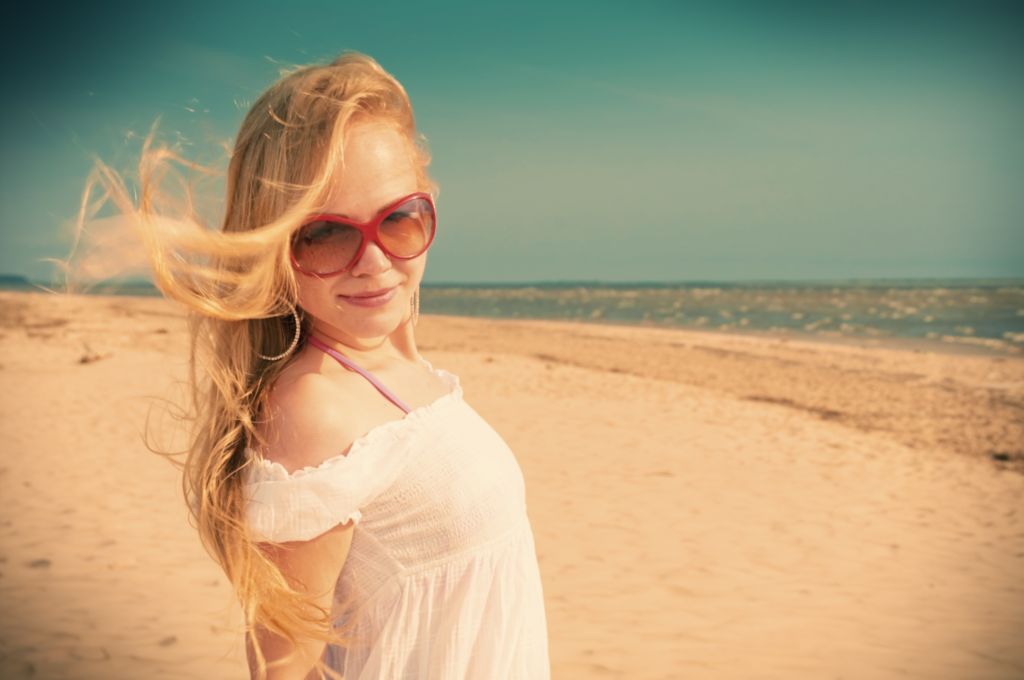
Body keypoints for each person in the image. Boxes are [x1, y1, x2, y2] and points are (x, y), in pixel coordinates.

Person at [81, 52, 550, 679]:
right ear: (272, 244)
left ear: (427, 206)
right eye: (324, 234)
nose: (374, 260)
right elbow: (286, 671)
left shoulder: (398, 368)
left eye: (399, 220)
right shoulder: (316, 410)